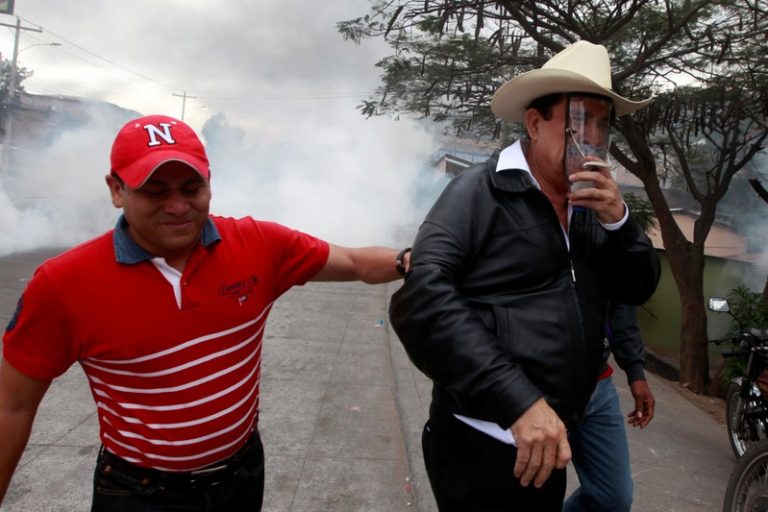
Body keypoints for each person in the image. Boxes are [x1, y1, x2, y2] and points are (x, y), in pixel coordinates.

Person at [0, 114, 411, 511]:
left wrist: (415, 261)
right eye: (156, 191)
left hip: (241, 476)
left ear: (209, 183)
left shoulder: (258, 244)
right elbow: (11, 406)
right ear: (116, 189)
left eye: (191, 188)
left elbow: (355, 262)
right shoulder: (63, 283)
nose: (178, 206)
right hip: (140, 493)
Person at [389, 40, 661, 511]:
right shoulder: (479, 192)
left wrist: (622, 222)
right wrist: (516, 399)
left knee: (611, 498)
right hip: (486, 438)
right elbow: (421, 300)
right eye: (578, 121)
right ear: (535, 123)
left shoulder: (595, 207)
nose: (590, 138)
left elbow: (635, 288)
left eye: (602, 123)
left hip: (557, 427)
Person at [564, 301, 655, 512]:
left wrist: (636, 370)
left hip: (599, 386)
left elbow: (621, 304)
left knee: (613, 498)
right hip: (544, 382)